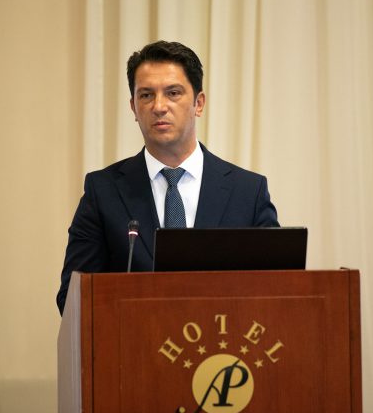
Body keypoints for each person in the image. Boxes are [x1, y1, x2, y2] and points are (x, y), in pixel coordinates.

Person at [57, 41, 279, 313]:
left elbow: (278, 291)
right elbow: (73, 298)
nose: (159, 106)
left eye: (173, 93)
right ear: (133, 107)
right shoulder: (103, 191)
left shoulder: (248, 192)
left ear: (199, 103)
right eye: (146, 95)